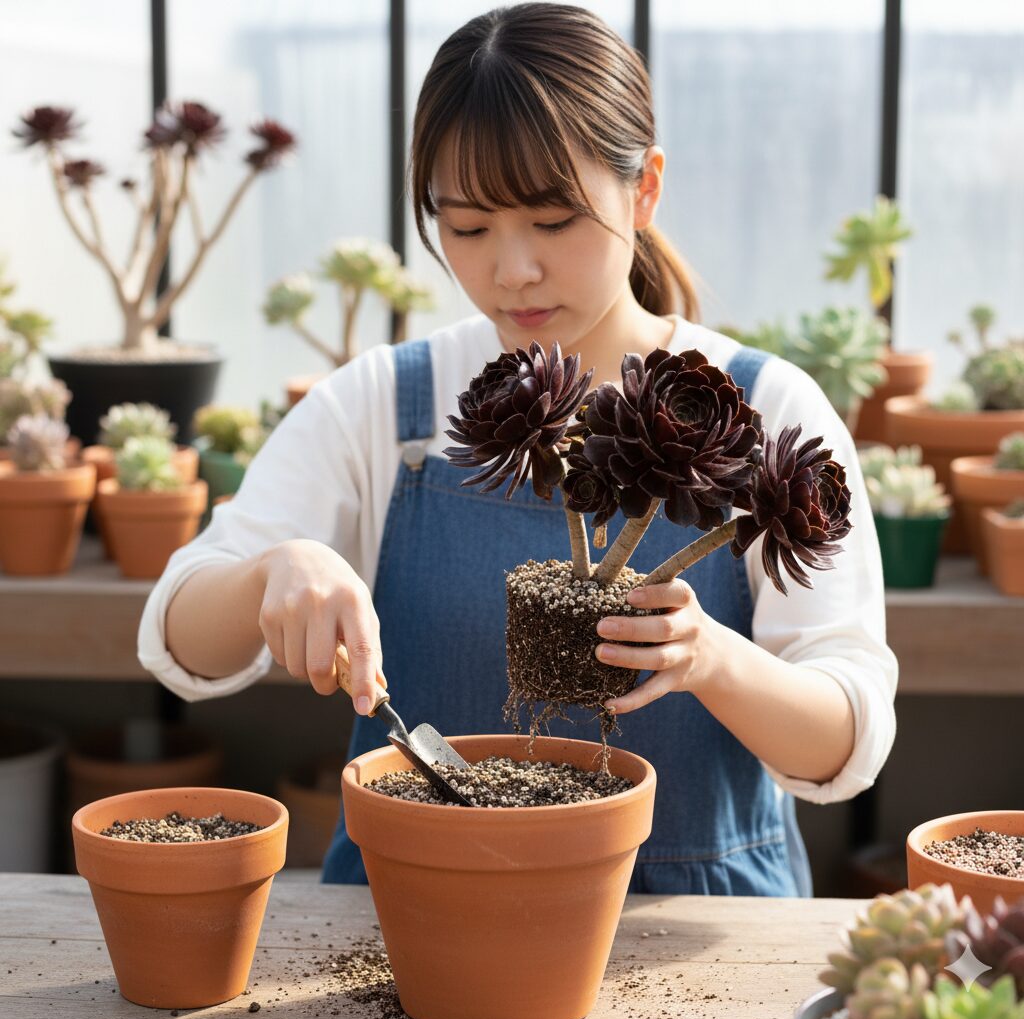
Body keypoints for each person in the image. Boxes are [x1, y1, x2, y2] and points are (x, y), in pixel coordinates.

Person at [138, 3, 897, 897]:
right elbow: (181, 638)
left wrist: (711, 659)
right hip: (413, 922)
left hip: (689, 935)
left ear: (645, 190)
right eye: (467, 229)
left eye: (553, 220)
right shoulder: (389, 406)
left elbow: (845, 741)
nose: (512, 271)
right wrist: (274, 570)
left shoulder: (764, 410)